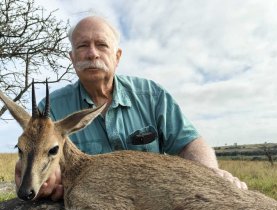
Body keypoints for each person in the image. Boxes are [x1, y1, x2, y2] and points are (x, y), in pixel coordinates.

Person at [15, 16, 247, 200]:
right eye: (83, 46)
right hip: (92, 206)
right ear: (72, 57)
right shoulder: (50, 108)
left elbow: (189, 143)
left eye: (102, 45)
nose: (92, 53)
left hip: (151, 204)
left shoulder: (151, 95)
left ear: (117, 56)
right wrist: (43, 177)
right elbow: (36, 154)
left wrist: (211, 176)